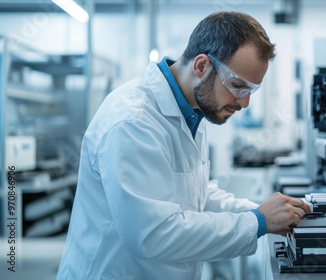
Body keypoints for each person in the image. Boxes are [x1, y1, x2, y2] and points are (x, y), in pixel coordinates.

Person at [56, 11, 310, 279]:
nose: (244, 103)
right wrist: (257, 221)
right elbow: (152, 235)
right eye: (237, 86)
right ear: (201, 66)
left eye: (250, 91)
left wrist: (264, 212)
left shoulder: (191, 110)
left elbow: (196, 196)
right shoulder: (134, 120)